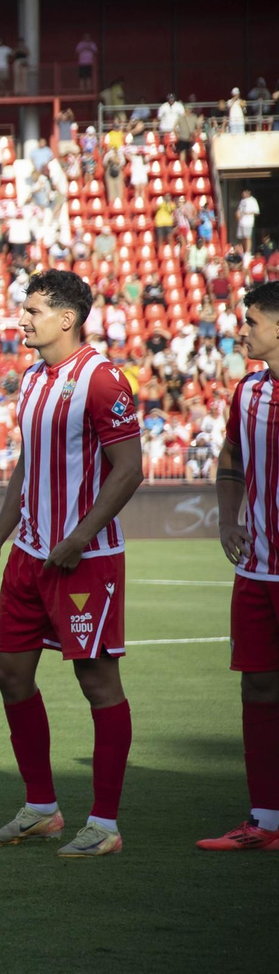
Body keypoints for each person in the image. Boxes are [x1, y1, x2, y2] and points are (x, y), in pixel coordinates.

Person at [0, 269, 142, 858]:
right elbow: (28, 466)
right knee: (9, 674)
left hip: (85, 560)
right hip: (29, 556)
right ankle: (42, 809)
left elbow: (130, 469)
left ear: (67, 318)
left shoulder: (102, 379)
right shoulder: (33, 379)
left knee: (96, 683)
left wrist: (79, 536)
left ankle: (104, 824)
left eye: (34, 310)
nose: (23, 319)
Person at [198, 281, 279, 850]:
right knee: (257, 686)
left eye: (251, 320)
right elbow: (230, 456)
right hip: (256, 570)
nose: (241, 329)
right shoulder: (247, 391)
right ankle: (265, 820)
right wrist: (229, 519)